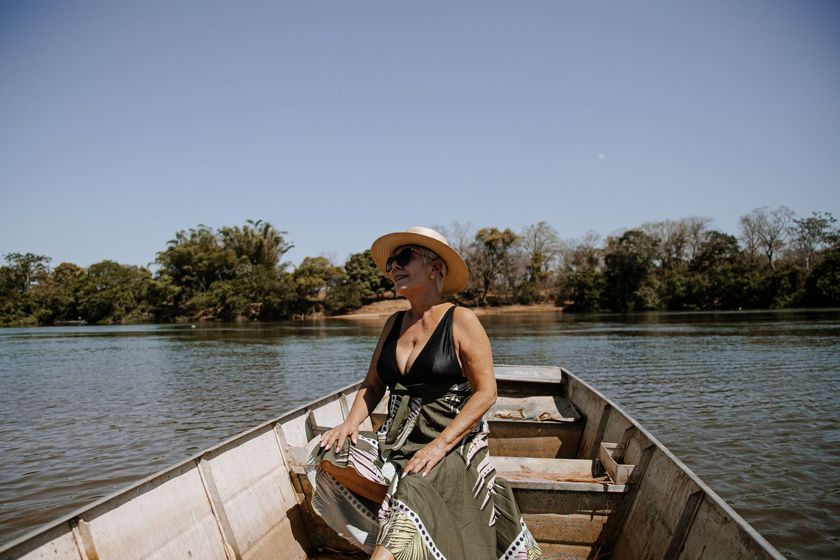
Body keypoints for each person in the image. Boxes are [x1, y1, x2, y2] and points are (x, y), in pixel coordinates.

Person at [306, 227, 541, 560]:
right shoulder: (393, 322)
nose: (393, 268)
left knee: (414, 482)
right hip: (396, 439)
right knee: (324, 451)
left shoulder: (462, 320)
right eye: (390, 262)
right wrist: (350, 423)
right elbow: (373, 385)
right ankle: (402, 533)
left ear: (436, 268)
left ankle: (403, 534)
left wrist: (440, 445)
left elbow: (486, 391)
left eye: (404, 258)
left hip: (448, 440)